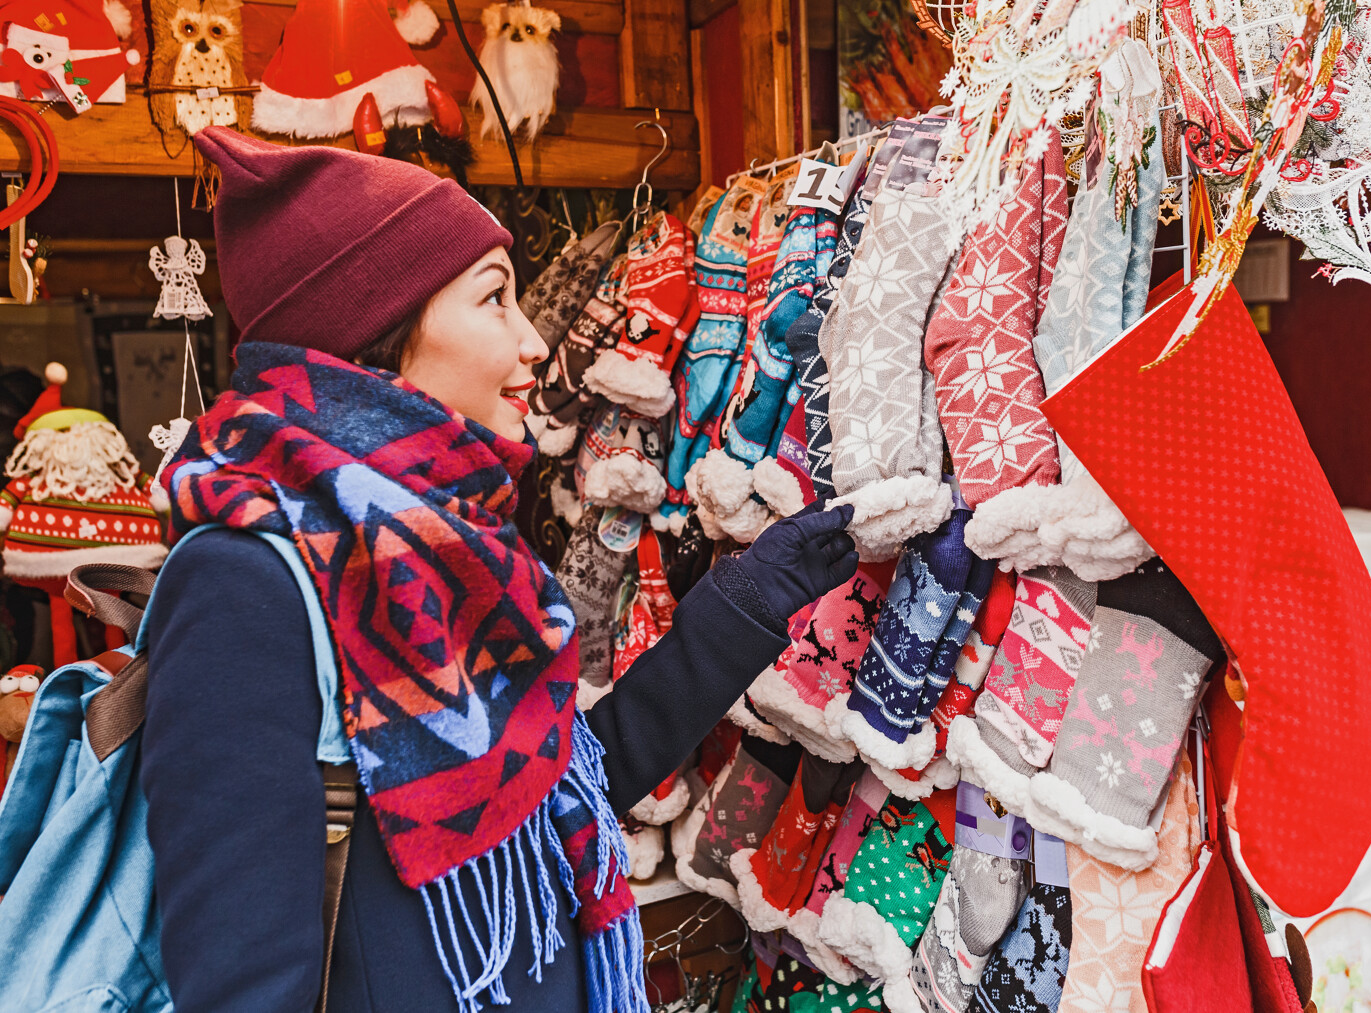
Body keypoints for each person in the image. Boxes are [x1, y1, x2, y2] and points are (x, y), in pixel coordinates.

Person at [142, 127, 858, 1013]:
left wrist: (750, 597)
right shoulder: (244, 583)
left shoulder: (459, 542)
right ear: (378, 331)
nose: (532, 343)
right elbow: (241, 980)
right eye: (494, 301)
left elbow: (567, 778)